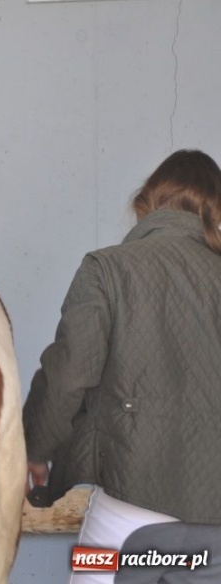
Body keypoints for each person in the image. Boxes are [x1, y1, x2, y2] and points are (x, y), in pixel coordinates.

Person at [23, 149, 221, 583]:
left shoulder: (107, 269)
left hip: (128, 515)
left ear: (146, 202)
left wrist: (36, 448)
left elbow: (70, 373)